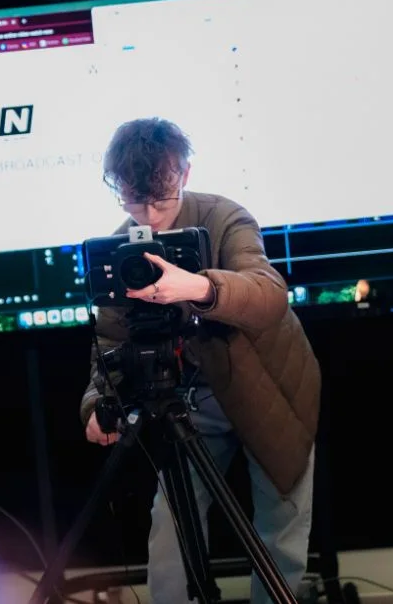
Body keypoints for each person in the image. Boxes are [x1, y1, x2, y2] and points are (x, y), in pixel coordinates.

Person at [79, 118, 322, 603]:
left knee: (283, 522)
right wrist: (96, 402)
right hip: (188, 401)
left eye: (160, 200)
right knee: (169, 527)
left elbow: (270, 294)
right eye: (133, 200)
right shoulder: (120, 245)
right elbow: (110, 337)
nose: (148, 214)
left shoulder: (224, 217)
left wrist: (200, 287)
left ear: (183, 175)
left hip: (269, 389)